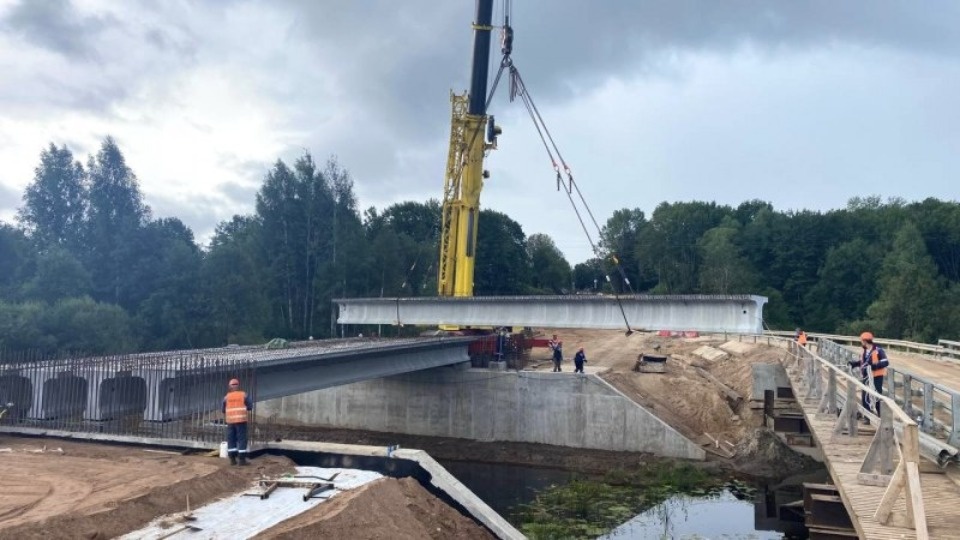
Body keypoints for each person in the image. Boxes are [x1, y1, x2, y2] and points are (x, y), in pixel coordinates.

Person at [222, 378, 253, 466]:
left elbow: (223, 409)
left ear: (229, 386)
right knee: (242, 439)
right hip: (241, 420)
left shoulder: (226, 397)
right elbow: (250, 406)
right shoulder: (244, 395)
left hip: (231, 421)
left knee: (231, 439)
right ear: (238, 385)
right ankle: (242, 460)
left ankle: (232, 460)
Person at [859, 331, 889, 415]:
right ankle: (867, 417)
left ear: (865, 341)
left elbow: (886, 362)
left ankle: (880, 415)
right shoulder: (864, 351)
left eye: (861, 341)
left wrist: (873, 366)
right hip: (866, 377)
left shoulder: (879, 350)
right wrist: (855, 363)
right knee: (865, 396)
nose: (861, 343)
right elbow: (863, 363)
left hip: (876, 377)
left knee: (876, 397)